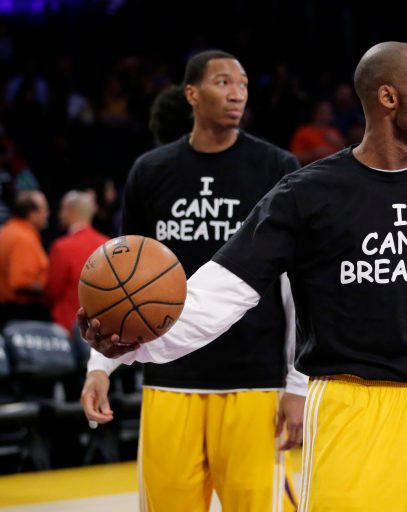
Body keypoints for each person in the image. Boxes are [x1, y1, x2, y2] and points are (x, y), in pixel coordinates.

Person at [81, 41, 407, 511]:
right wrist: (128, 348)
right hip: (351, 415)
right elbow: (219, 295)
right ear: (388, 97)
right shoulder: (305, 194)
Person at [79, 50, 306, 512]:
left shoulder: (277, 169)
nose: (237, 93)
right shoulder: (150, 172)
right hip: (168, 380)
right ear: (191, 94)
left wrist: (297, 384)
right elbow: (119, 280)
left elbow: (295, 284)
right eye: (223, 82)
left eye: (242, 83)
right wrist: (99, 367)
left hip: (254, 382)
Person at [45, 190, 108, 329]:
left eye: (61, 209)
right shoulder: (107, 245)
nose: (59, 214)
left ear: (70, 210)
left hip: (67, 328)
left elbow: (51, 292)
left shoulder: (62, 247)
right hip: (100, 329)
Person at [0, 189, 50, 327]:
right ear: (32, 214)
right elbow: (21, 282)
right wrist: (49, 287)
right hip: (19, 315)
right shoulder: (23, 238)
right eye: (44, 210)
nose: (47, 214)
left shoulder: (7, 230)